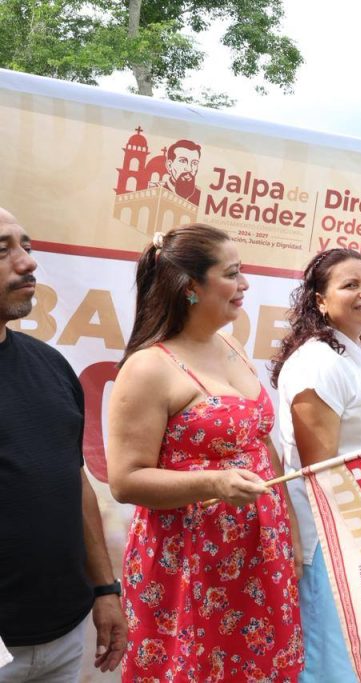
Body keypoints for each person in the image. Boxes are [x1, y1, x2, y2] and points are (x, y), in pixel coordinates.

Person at [106, 224, 303, 681]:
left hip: (259, 557)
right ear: (190, 286)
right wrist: (213, 482)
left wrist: (288, 529)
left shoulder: (231, 345)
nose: (245, 284)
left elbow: (261, 443)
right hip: (189, 564)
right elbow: (125, 480)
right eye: (231, 274)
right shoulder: (149, 367)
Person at [0, 207, 128, 682]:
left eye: (27, 246)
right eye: (3, 250)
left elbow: (73, 481)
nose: (28, 262)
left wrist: (105, 590)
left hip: (64, 637)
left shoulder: (50, 366)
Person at [270, 248, 361, 683]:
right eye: (351, 285)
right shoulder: (318, 364)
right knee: (329, 668)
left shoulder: (353, 356)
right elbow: (320, 475)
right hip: (331, 546)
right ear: (320, 301)